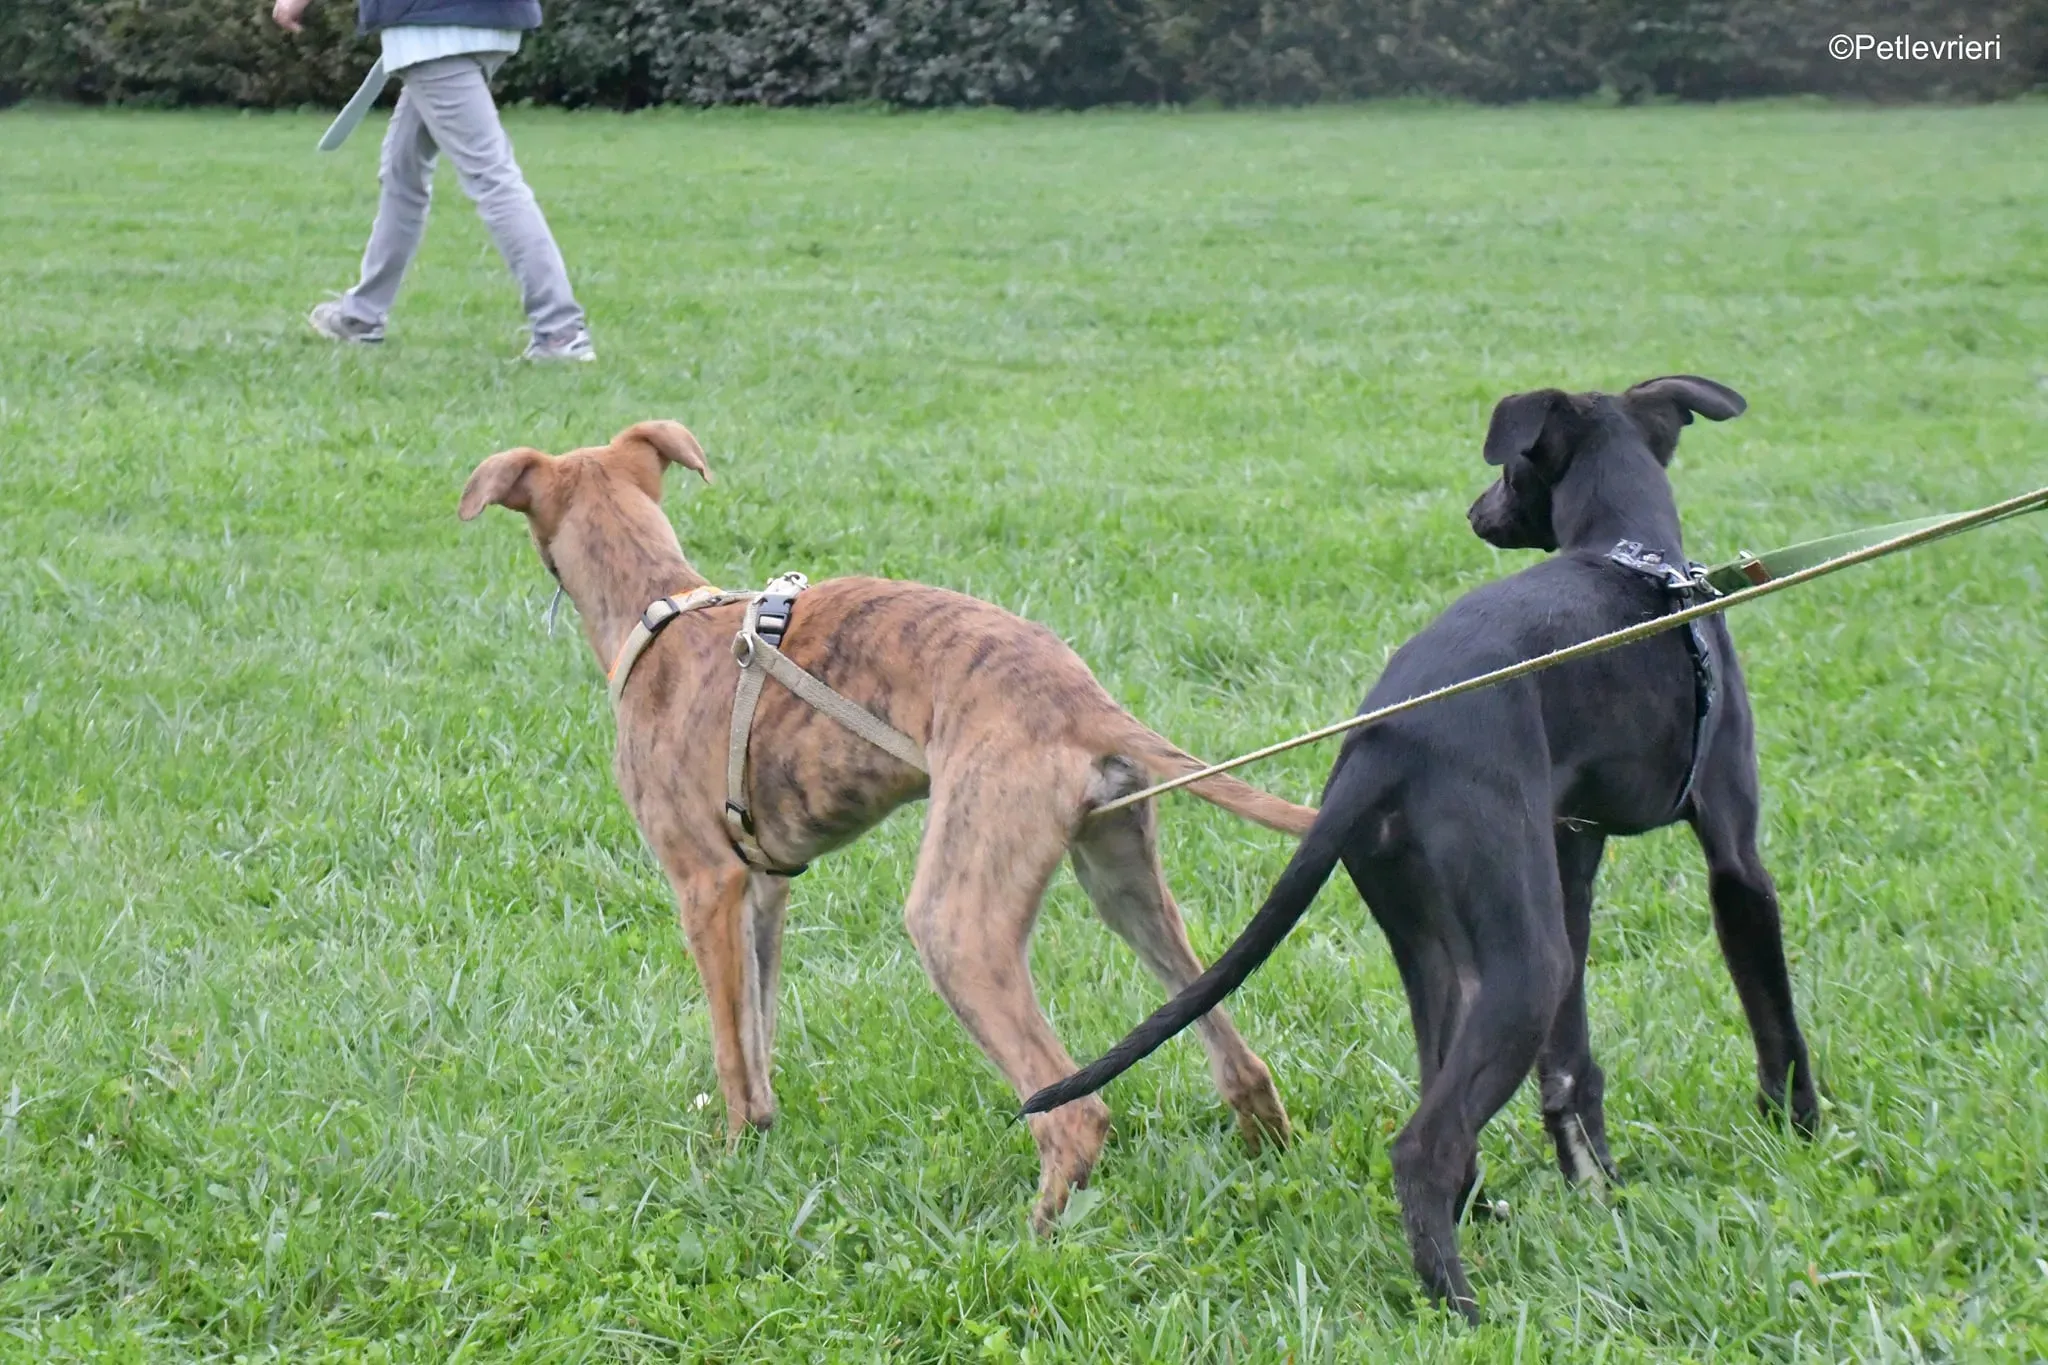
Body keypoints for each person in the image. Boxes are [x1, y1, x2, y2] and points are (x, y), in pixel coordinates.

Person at [272, 0, 593, 361]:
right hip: (485, 22)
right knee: (402, 171)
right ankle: (361, 315)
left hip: (430, 28)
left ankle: (559, 331)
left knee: (492, 178)